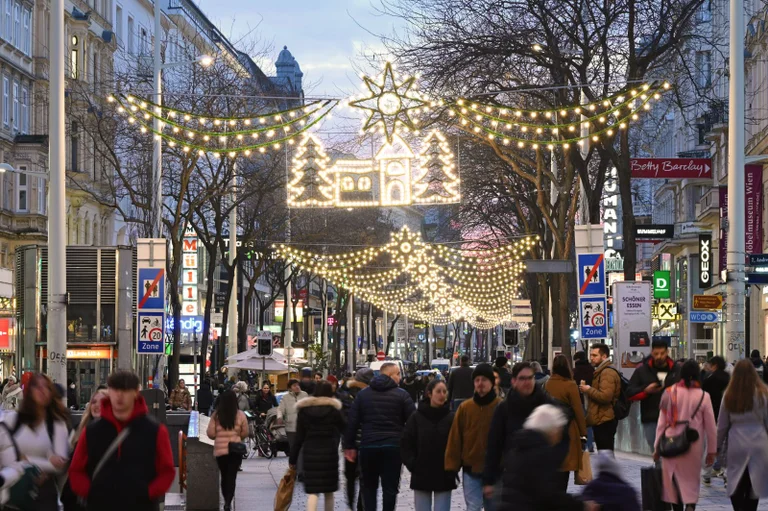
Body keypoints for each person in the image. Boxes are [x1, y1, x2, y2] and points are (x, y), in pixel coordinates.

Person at [69, 370, 175, 511]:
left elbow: (167, 471)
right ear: (109, 391)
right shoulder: (91, 431)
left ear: (136, 392)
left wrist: (147, 493)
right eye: (115, 389)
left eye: (125, 390)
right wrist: (91, 493)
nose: (120, 395)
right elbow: (76, 470)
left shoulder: (155, 430)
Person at [344, 362, 415, 511]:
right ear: (390, 375)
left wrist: (349, 446)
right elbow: (413, 422)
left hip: (368, 446)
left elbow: (353, 421)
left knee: (369, 487)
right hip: (393, 447)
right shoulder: (402, 394)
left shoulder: (363, 395)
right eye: (398, 374)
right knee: (390, 488)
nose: (400, 377)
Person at [499, 404, 596, 511]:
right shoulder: (543, 454)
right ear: (551, 430)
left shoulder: (517, 448)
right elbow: (549, 495)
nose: (559, 435)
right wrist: (581, 506)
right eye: (558, 430)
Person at [653, 360, 717, 511]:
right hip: (693, 445)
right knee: (690, 482)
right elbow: (711, 427)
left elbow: (661, 422)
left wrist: (657, 446)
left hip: (670, 442)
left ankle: (677, 508)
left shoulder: (669, 392)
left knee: (673, 481)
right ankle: (690, 506)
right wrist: (712, 451)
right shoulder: (703, 396)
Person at [1, 373, 69, 510]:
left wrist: (26, 459)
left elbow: (59, 465)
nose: (42, 390)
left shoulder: (57, 424)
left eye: (46, 387)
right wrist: (46, 462)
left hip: (43, 495)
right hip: (13, 493)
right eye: (37, 386)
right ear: (29, 391)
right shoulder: (13, 420)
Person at [445, 363, 502, 511]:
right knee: (473, 507)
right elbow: (455, 438)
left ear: (492, 382)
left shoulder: (501, 406)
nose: (480, 383)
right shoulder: (465, 408)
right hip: (471, 469)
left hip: (496, 470)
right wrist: (452, 467)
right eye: (477, 380)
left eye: (484, 380)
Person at [717, 359, 768, 511]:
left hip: (737, 443)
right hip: (758, 443)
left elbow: (722, 425)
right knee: (753, 486)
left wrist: (716, 447)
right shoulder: (763, 394)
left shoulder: (729, 395)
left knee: (736, 484)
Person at [401, 379, 457, 511]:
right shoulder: (416, 417)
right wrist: (412, 463)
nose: (442, 395)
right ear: (429, 394)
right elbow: (406, 442)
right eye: (438, 391)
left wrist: (454, 466)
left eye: (444, 391)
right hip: (421, 473)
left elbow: (458, 443)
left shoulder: (452, 418)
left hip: (445, 473)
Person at [290, 381, 346, 511]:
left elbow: (299, 438)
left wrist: (293, 459)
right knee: (329, 491)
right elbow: (345, 428)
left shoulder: (304, 410)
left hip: (310, 453)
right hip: (329, 453)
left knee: (313, 492)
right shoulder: (333, 410)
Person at [543, 355, 588, 490]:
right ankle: (561, 495)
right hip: (568, 430)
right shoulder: (570, 385)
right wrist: (583, 433)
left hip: (550, 430)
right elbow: (578, 410)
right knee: (566, 465)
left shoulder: (547, 384)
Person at [627, 339, 678, 450]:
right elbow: (629, 392)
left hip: (673, 418)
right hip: (651, 417)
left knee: (671, 449)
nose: (659, 356)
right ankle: (659, 466)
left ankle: (664, 467)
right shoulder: (642, 371)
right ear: (651, 352)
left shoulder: (676, 370)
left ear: (667, 352)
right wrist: (645, 391)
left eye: (662, 353)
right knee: (655, 447)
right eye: (656, 354)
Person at [206, 390, 248, 511]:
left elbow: (211, 434)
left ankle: (226, 500)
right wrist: (237, 435)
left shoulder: (216, 415)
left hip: (221, 451)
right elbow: (245, 432)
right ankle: (228, 501)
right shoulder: (240, 415)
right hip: (235, 450)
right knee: (232, 476)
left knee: (224, 476)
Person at [579, 343, 621, 451]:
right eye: (591, 355)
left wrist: (588, 390)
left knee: (605, 452)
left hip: (605, 419)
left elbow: (605, 396)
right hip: (602, 417)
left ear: (604, 356)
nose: (591, 358)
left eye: (595, 355)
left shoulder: (607, 373)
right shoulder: (600, 371)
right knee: (604, 453)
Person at [343, 368, 373, 511]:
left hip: (350, 442)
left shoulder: (345, 394)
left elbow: (344, 419)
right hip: (366, 441)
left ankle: (351, 502)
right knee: (365, 477)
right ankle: (360, 505)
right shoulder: (371, 396)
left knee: (350, 477)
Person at [277, 379, 308, 458]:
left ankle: (301, 467)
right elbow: (280, 409)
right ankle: (295, 467)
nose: (297, 387)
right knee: (294, 449)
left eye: (298, 385)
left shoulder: (304, 395)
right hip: (291, 428)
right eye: (294, 385)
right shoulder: (285, 397)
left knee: (303, 449)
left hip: (304, 427)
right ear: (290, 388)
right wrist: (279, 417)